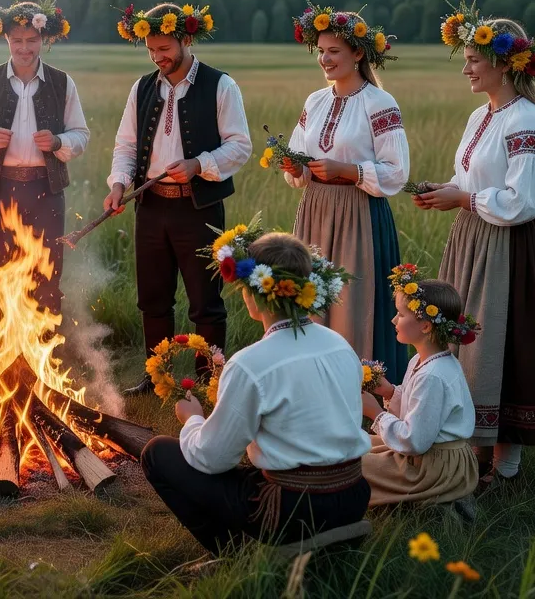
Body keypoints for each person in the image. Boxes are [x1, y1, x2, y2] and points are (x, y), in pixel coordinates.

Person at [414, 3, 535, 490]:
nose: (465, 68)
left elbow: (525, 200)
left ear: (504, 64)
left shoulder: (527, 123)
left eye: (473, 61)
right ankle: (474, 456)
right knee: (468, 346)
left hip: (508, 245)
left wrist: (465, 198)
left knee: (500, 346)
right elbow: (470, 177)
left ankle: (506, 469)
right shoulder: (482, 116)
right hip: (473, 237)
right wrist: (448, 193)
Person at [141, 233, 370, 551]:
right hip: (353, 495)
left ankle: (236, 556)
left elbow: (213, 459)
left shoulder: (251, 363)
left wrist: (192, 421)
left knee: (158, 453)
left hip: (292, 509)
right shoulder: (339, 344)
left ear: (255, 293)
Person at [107, 3, 251, 394]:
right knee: (153, 298)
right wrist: (119, 184)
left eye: (165, 48)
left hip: (198, 208)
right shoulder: (142, 87)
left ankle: (210, 379)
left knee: (206, 301)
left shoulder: (221, 85)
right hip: (150, 206)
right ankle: (158, 376)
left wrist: (198, 164)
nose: (158, 57)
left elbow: (240, 146)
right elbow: (126, 145)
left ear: (186, 39)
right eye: (152, 50)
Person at [282, 2, 410, 381]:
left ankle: (360, 392)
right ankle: (309, 387)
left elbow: (397, 172)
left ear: (358, 53)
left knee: (351, 306)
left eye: (333, 51)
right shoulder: (315, 101)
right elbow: (299, 154)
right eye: (320, 51)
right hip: (315, 210)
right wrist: (296, 167)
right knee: (310, 298)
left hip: (358, 215)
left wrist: (349, 171)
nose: (325, 59)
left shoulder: (379, 103)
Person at [0, 0, 89, 311]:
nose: (25, 48)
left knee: (46, 273)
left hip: (46, 190)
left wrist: (58, 143)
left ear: (42, 38)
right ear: (6, 39)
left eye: (32, 40)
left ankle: (44, 352)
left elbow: (81, 135)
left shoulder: (62, 83)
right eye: (17, 40)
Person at [360, 268, 478, 507]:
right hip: (428, 454)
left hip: (434, 468)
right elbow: (419, 416)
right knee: (353, 443)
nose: (394, 320)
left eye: (401, 314)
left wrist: (376, 413)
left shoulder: (433, 376)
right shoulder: (421, 360)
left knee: (350, 465)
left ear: (425, 326)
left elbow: (415, 441)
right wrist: (390, 393)